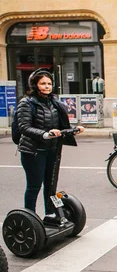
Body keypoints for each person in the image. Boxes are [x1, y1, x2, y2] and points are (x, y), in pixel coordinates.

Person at [17, 68, 85, 221]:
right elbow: (24, 127)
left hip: (52, 149)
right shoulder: (26, 103)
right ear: (35, 85)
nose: (47, 86)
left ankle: (50, 213)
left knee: (50, 185)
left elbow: (59, 127)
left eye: (49, 83)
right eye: (43, 83)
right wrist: (44, 134)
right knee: (34, 186)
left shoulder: (54, 103)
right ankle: (30, 217)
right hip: (33, 151)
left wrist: (73, 130)